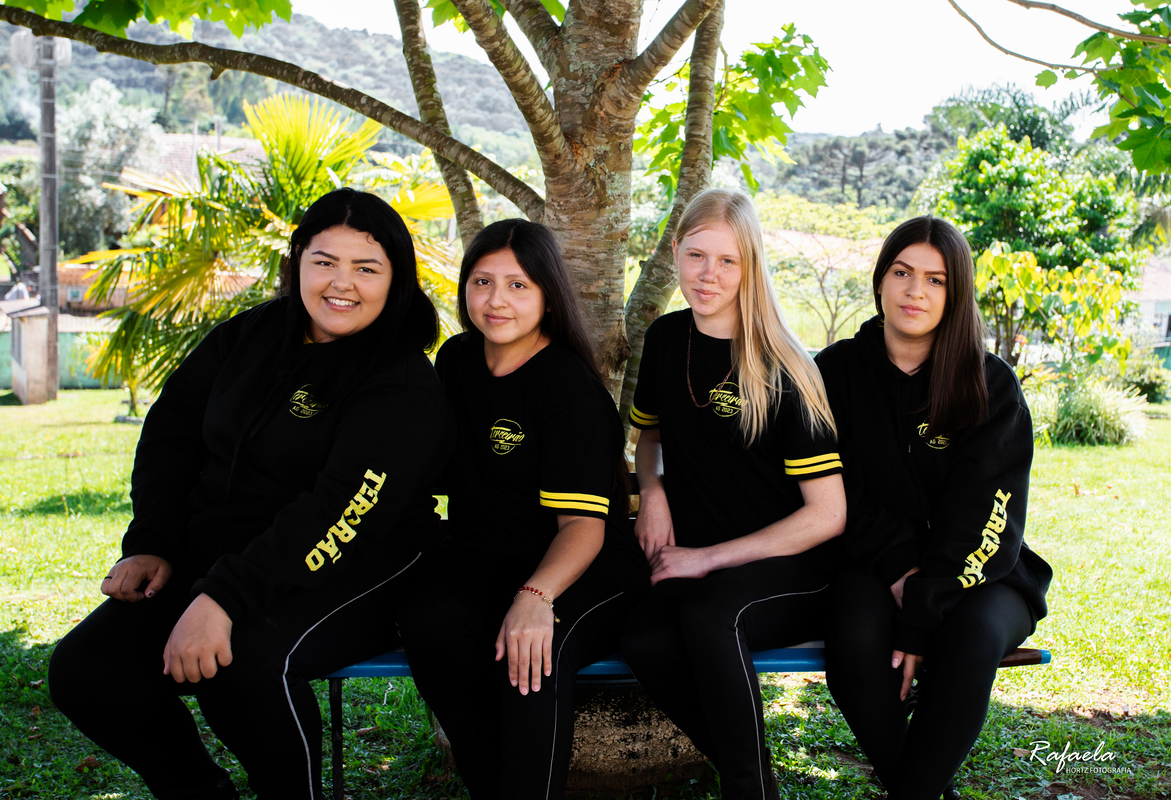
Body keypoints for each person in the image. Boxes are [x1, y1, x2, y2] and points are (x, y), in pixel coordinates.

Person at [48, 188, 453, 800]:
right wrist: (153, 541)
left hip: (358, 562)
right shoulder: (251, 334)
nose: (342, 284)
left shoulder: (402, 383)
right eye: (324, 262)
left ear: (396, 279)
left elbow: (341, 511)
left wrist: (223, 599)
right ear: (297, 262)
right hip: (225, 557)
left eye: (366, 268)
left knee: (241, 663)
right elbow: (172, 432)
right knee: (87, 670)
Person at [398, 219, 649, 800]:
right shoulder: (456, 360)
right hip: (486, 553)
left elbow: (582, 526)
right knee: (428, 620)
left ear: (548, 296)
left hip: (582, 564)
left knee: (532, 651)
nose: (496, 300)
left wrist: (535, 597)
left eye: (518, 285)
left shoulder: (569, 387)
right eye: (482, 281)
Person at [815, 216, 1053, 800]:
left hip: (981, 571)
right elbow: (836, 491)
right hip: (871, 562)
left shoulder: (988, 383)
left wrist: (924, 607)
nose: (915, 291)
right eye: (901, 273)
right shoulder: (833, 374)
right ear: (880, 280)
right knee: (853, 637)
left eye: (935, 279)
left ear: (956, 292)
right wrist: (900, 569)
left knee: (969, 640)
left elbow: (984, 516)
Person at [621, 188, 846, 800]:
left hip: (792, 567)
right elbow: (649, 437)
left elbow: (828, 515)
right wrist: (653, 490)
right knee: (642, 638)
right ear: (675, 251)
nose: (708, 275)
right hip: (697, 561)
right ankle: (755, 777)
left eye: (728, 261)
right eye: (696, 256)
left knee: (710, 616)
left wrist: (705, 559)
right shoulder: (665, 339)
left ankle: (746, 791)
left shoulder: (784, 366)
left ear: (751, 265)